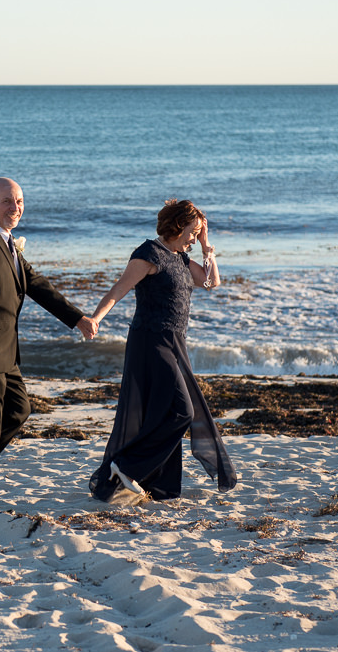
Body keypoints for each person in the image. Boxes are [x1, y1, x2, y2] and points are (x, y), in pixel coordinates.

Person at [0, 178, 99, 519]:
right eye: (8, 202)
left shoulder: (8, 243)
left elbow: (37, 286)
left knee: (19, 409)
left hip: (6, 351)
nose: (16, 207)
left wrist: (77, 319)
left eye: (20, 201)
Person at [88, 199, 237, 502]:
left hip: (175, 341)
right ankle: (126, 467)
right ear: (176, 226)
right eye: (192, 232)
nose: (194, 238)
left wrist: (208, 246)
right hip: (150, 340)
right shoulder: (148, 254)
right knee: (183, 411)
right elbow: (118, 290)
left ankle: (160, 486)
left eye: (197, 233)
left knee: (162, 412)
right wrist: (95, 318)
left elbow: (211, 281)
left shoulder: (180, 257)